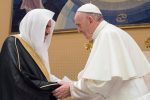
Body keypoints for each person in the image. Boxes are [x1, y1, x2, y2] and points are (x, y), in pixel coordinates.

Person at [52, 3, 150, 100]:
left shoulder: (107, 35)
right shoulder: (107, 32)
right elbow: (99, 77)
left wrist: (72, 88)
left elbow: (100, 82)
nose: (78, 30)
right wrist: (73, 85)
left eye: (79, 25)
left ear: (90, 20)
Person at [0, 9, 61, 100]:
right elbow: (19, 80)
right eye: (46, 27)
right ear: (35, 26)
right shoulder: (13, 43)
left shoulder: (35, 47)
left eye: (49, 27)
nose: (48, 32)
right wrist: (55, 86)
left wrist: (66, 84)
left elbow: (45, 76)